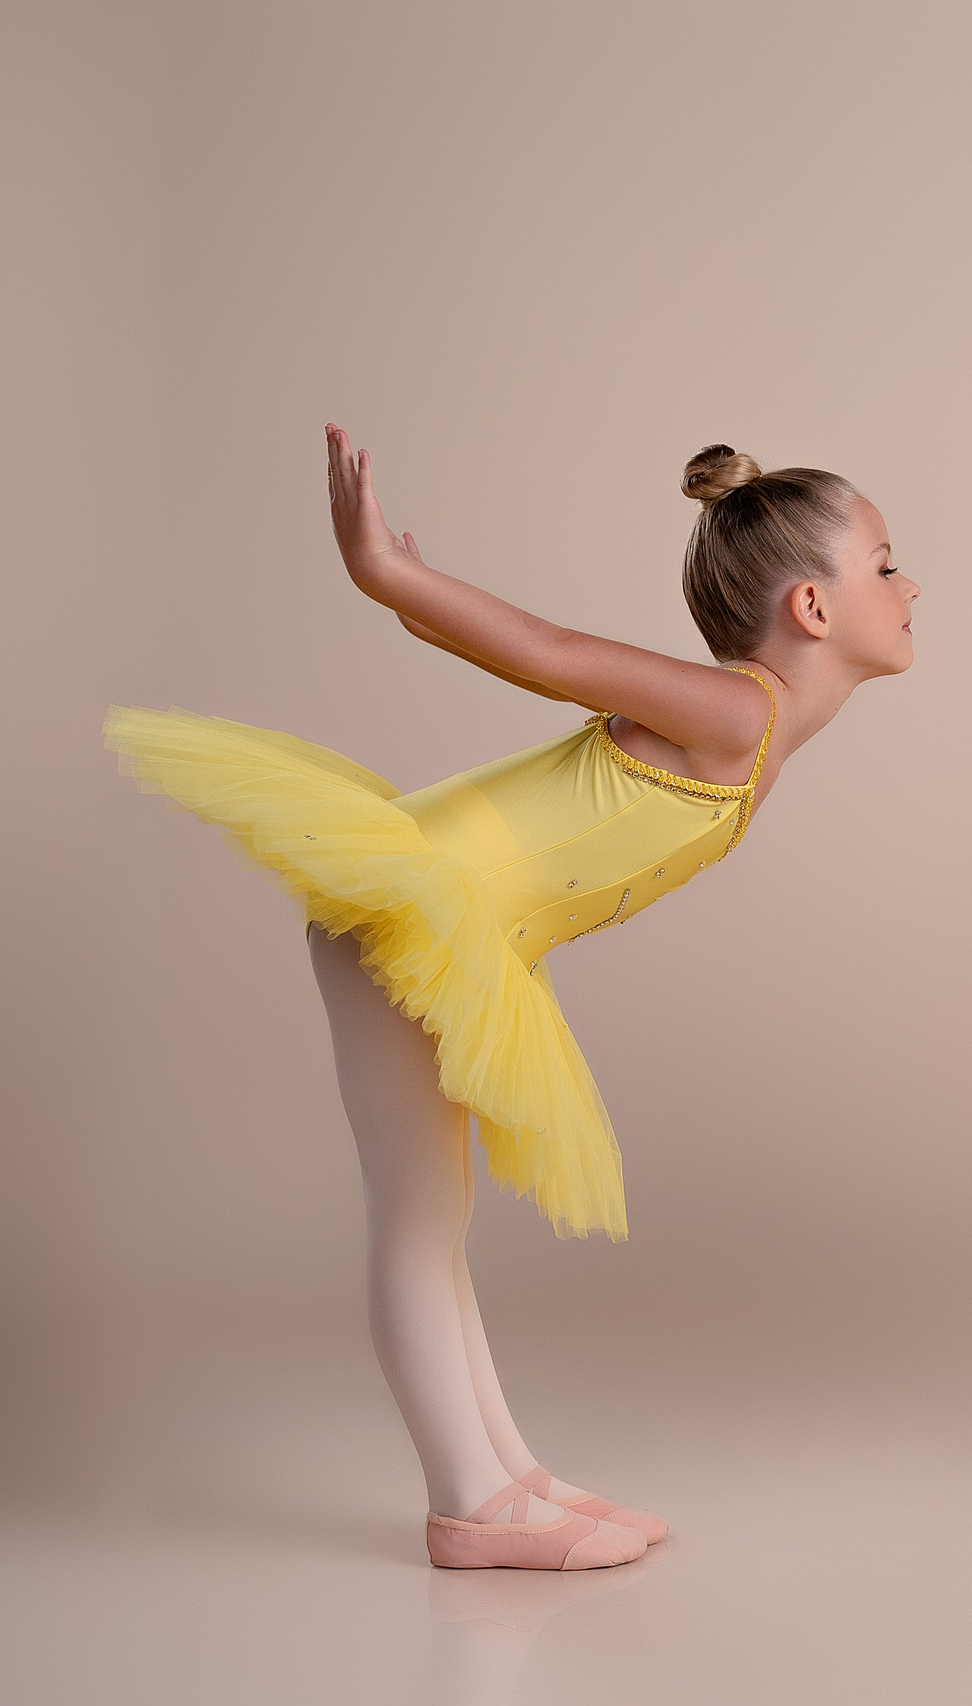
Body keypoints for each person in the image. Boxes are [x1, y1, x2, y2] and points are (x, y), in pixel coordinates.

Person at [107, 426, 919, 1567]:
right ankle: (469, 1505)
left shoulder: (754, 722)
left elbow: (527, 654)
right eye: (886, 564)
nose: (910, 585)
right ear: (814, 607)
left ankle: (510, 1478)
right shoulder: (741, 711)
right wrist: (387, 576)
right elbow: (548, 649)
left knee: (440, 1221)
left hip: (457, 932)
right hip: (410, 917)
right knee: (418, 1220)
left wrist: (412, 599)